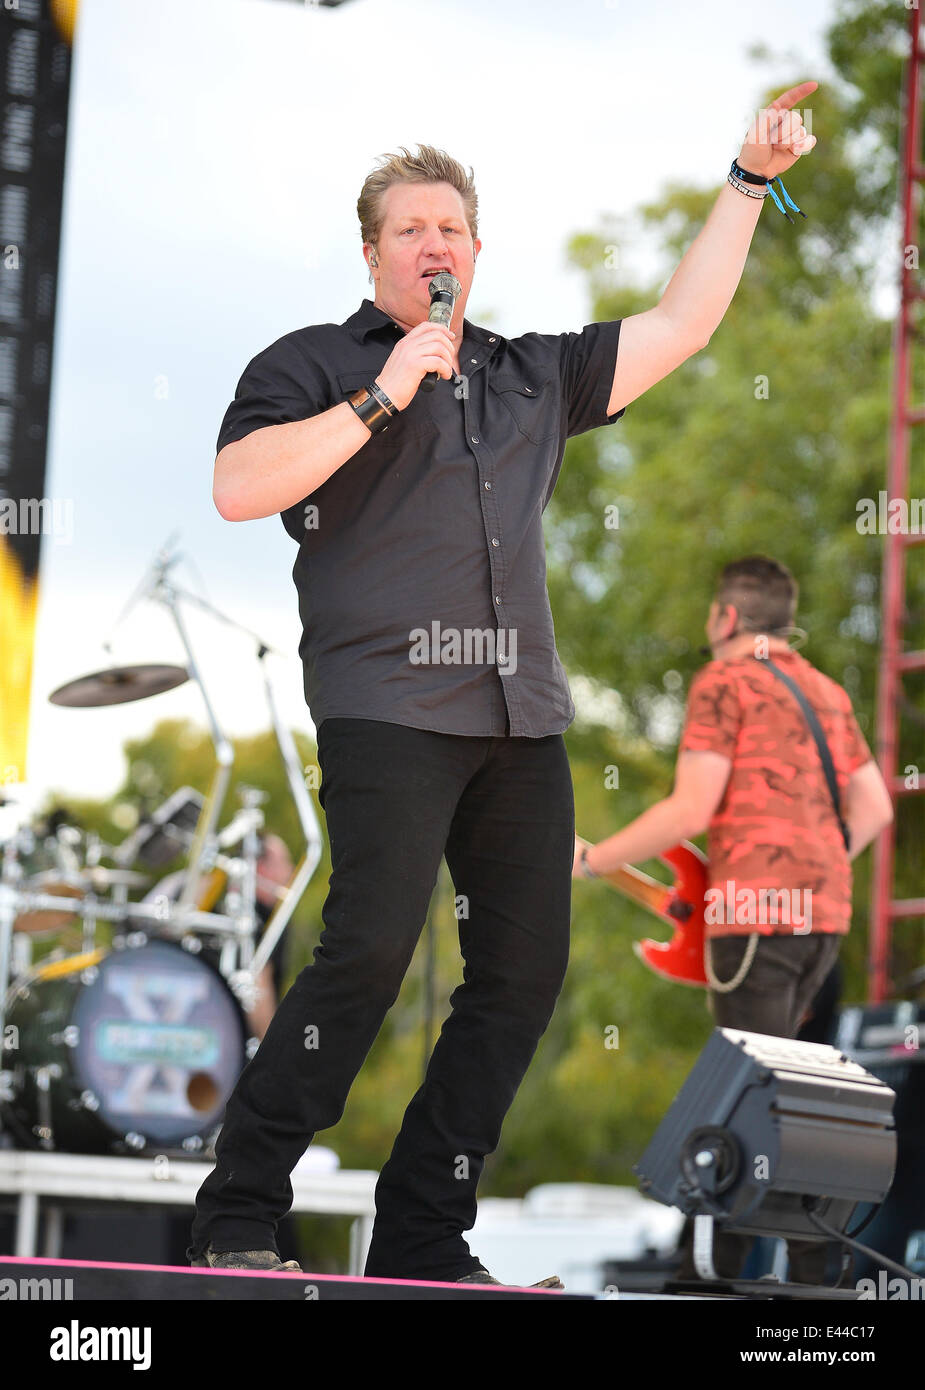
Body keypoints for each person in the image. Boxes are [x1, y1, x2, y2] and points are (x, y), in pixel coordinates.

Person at [191, 97, 819, 1284]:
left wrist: (742, 179)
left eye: (453, 227)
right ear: (372, 254)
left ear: (476, 253)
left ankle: (425, 1232)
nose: (436, 244)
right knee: (367, 950)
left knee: (523, 976)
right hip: (384, 709)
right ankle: (239, 1209)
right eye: (410, 227)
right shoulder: (311, 364)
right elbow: (237, 486)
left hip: (518, 721)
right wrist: (382, 392)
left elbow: (684, 323)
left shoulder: (533, 375)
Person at [574, 556, 894, 1285]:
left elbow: (691, 809)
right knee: (800, 1096)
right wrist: (812, 862)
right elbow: (875, 807)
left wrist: (594, 861)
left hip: (753, 920)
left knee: (744, 1100)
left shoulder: (723, 681)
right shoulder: (825, 690)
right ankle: (810, 1279)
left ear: (725, 618)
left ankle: (718, 1277)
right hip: (823, 921)